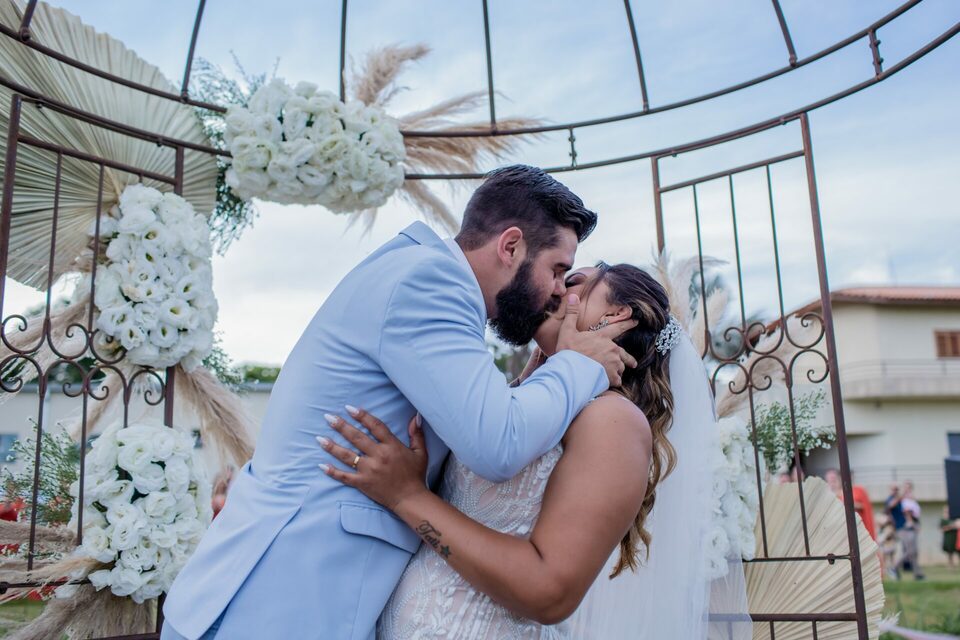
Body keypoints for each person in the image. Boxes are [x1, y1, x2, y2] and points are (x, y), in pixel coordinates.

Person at [161, 166, 637, 640]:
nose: (559, 290)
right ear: (510, 246)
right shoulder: (432, 283)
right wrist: (579, 363)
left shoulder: (423, 277)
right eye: (557, 270)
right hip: (273, 604)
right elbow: (499, 444)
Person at [321, 264, 750, 639]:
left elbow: (550, 591)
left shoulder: (612, 421)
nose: (556, 288)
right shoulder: (525, 404)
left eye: (575, 280)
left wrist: (406, 497)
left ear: (617, 314)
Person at [824, 468, 876, 541]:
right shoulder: (837, 493)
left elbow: (865, 507)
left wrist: (848, 504)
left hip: (860, 526)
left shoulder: (859, 490)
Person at [898, 481, 925, 580]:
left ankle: (917, 574)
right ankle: (894, 567)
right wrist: (914, 525)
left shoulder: (912, 499)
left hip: (914, 524)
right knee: (910, 551)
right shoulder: (904, 500)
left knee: (914, 551)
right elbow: (907, 513)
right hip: (909, 526)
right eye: (905, 487)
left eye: (909, 487)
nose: (907, 489)